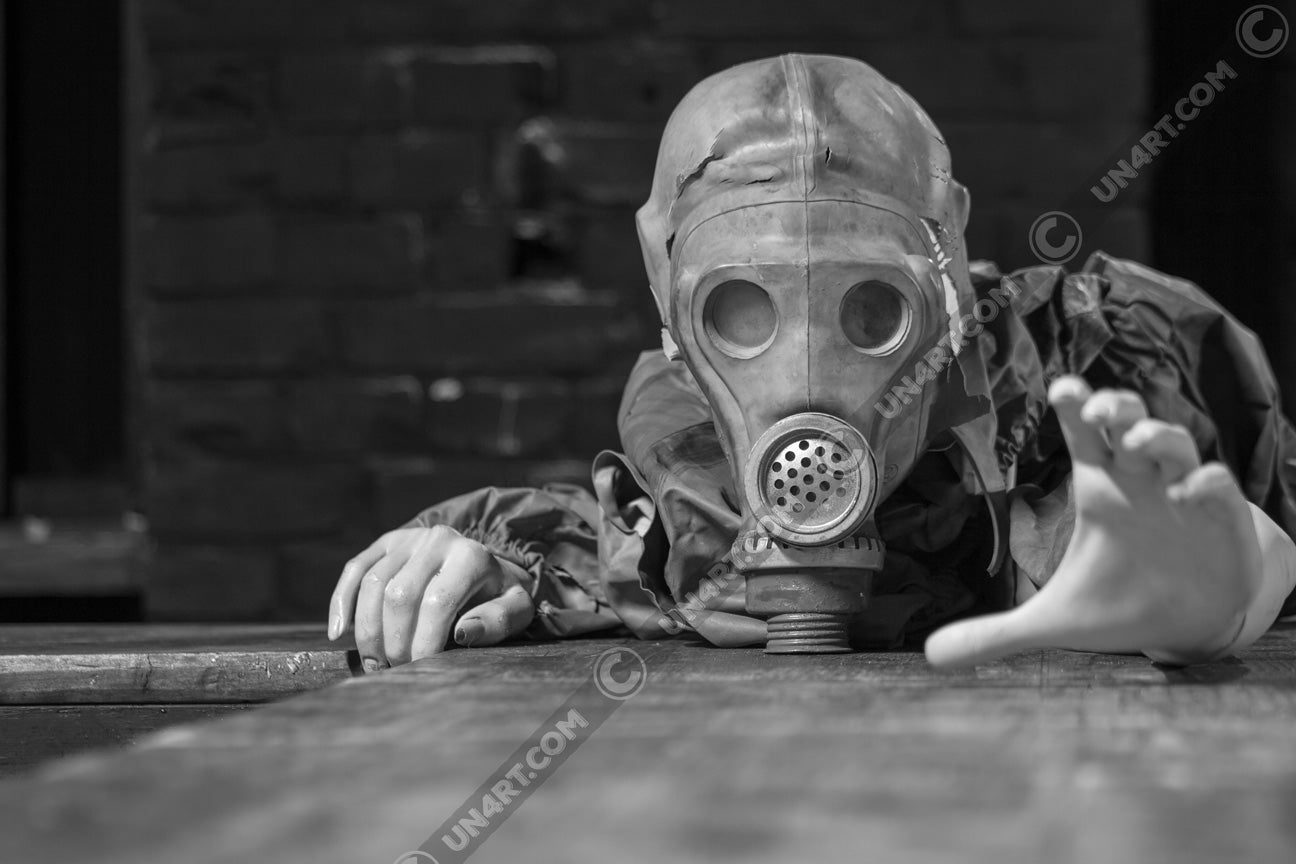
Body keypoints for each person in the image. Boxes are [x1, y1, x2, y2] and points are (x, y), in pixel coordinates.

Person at [327, 54, 1296, 672]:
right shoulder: (688, 448)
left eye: (871, 306)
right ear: (664, 283)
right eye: (739, 310)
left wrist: (1221, 597)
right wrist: (485, 554)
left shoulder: (1111, 360)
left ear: (949, 257)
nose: (803, 381)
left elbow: (1234, 531)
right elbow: (638, 555)